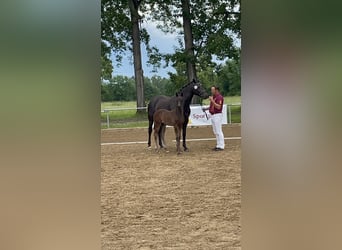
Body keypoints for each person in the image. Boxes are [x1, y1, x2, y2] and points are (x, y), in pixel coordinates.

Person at [203, 86, 225, 151]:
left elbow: (218, 107)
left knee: (218, 130)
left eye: (212, 90)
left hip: (217, 115)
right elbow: (212, 106)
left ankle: (221, 145)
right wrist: (206, 109)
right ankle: (218, 145)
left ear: (216, 90)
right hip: (213, 115)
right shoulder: (214, 97)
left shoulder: (219, 97)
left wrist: (212, 101)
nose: (211, 91)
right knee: (215, 131)